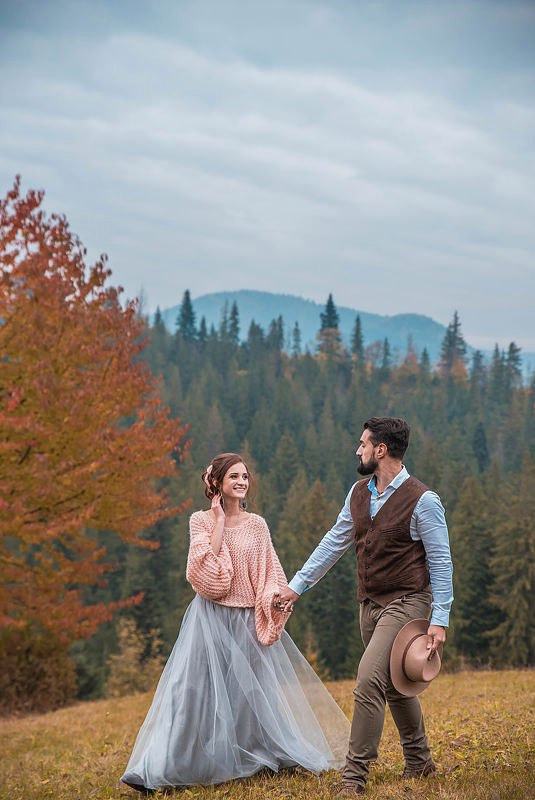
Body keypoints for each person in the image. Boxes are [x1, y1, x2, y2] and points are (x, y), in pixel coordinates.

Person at [121, 452, 349, 793]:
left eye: (244, 476)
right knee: (192, 692)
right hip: (208, 619)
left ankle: (256, 755)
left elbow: (268, 571)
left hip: (246, 619)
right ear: (218, 484)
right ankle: (165, 766)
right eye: (234, 477)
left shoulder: (257, 525)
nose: (241, 482)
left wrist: (273, 597)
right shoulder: (200, 521)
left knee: (251, 693)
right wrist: (218, 522)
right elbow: (206, 574)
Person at [275, 417, 453, 796]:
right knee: (395, 686)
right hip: (369, 605)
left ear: (381, 450)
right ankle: (420, 763)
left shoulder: (424, 500)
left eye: (363, 444)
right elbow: (334, 542)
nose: (358, 450)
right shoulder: (359, 492)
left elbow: (441, 562)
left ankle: (354, 777)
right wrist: (296, 587)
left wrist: (440, 618)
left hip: (408, 602)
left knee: (368, 681)